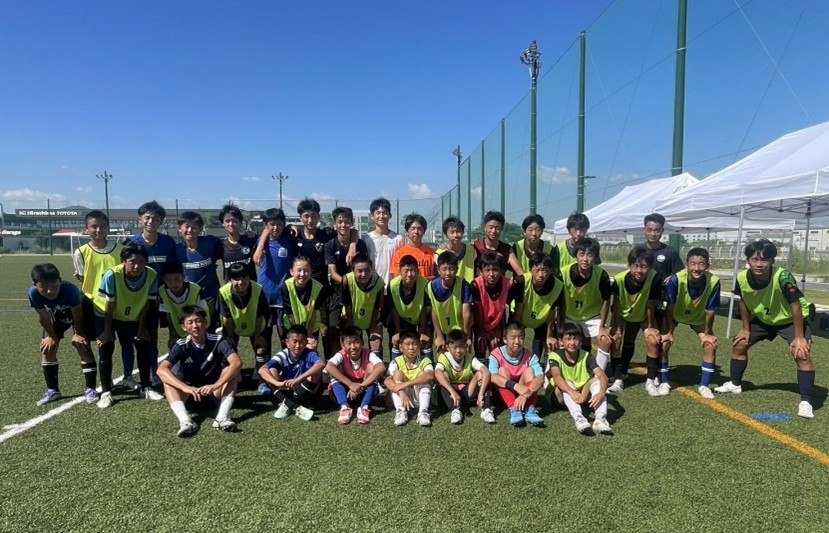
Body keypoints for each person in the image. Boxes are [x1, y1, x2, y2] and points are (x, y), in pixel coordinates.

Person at [715, 239, 816, 419]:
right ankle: (735, 384)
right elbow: (744, 301)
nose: (759, 264)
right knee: (739, 344)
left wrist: (799, 337)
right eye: (755, 259)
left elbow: (796, 306)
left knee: (802, 353)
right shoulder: (741, 277)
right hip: (765, 319)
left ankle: (806, 401)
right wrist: (745, 328)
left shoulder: (783, 277)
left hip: (790, 320)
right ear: (748, 260)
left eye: (764, 260)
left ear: (772, 261)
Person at [157, 306, 242, 437]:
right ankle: (185, 421)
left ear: (205, 323)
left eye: (198, 321)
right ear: (183, 327)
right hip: (190, 395)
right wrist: (185, 388)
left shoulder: (218, 340)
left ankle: (222, 417)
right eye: (190, 322)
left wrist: (216, 385)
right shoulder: (181, 344)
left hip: (214, 392)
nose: (195, 326)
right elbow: (161, 370)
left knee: (232, 373)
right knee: (167, 380)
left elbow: (237, 362)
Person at [96, 244, 163, 408]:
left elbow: (147, 304)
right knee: (106, 346)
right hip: (108, 315)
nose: (137, 266)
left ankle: (146, 387)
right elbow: (109, 305)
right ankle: (106, 392)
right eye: (132, 261)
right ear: (123, 261)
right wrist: (107, 331)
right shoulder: (112, 275)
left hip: (134, 315)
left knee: (142, 342)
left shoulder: (151, 275)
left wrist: (141, 329)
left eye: (141, 262)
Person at [293, 198, 358, 356]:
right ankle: (308, 363)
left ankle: (331, 363)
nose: (310, 220)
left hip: (323, 290)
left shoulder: (326, 235)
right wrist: (290, 227)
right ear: (300, 217)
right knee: (307, 330)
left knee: (328, 329)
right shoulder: (294, 236)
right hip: (302, 291)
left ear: (319, 217)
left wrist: (352, 246)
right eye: (306, 216)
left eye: (313, 216)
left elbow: (353, 232)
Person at [28, 263, 99, 406]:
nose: (49, 291)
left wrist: (79, 333)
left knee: (82, 345)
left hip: (82, 310)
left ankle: (91, 389)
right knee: (47, 348)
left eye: (54, 285)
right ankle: (53, 390)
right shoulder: (33, 293)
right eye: (43, 286)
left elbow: (77, 313)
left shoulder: (69, 290)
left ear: (60, 281)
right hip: (57, 313)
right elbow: (43, 316)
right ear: (35, 285)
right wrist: (51, 336)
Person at [73, 210, 127, 387]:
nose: (98, 230)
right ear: (86, 229)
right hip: (95, 306)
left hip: (120, 304)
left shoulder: (120, 250)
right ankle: (106, 383)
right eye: (94, 226)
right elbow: (82, 279)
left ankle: (129, 377)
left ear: (108, 227)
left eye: (102, 226)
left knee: (127, 343)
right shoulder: (81, 252)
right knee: (104, 346)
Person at [127, 200, 177, 384]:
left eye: (155, 219)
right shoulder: (132, 243)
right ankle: (149, 372)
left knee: (173, 333)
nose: (151, 222)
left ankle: (172, 370)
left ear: (161, 222)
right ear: (140, 219)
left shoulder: (168, 242)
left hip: (166, 297)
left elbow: (174, 268)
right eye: (147, 217)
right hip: (142, 298)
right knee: (146, 336)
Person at [664, 248, 721, 399]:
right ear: (686, 265)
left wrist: (707, 334)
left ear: (707, 265)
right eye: (693, 264)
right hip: (675, 316)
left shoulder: (714, 281)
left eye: (701, 264)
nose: (696, 268)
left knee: (710, 344)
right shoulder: (676, 279)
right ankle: (664, 381)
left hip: (698, 318)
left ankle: (705, 385)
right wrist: (669, 331)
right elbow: (670, 307)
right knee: (664, 342)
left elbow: (711, 310)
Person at [607, 245, 664, 396]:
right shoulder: (619, 279)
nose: (639, 270)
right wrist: (615, 326)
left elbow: (651, 304)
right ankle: (618, 378)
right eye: (635, 266)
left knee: (653, 340)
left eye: (644, 266)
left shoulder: (655, 278)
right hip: (623, 314)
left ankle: (650, 380)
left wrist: (651, 327)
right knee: (616, 338)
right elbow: (616, 305)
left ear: (650, 267)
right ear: (629, 265)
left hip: (644, 315)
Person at [547, 323, 612, 435]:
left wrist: (601, 393)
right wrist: (572, 392)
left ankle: (600, 419)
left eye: (576, 339)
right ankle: (579, 418)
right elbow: (557, 377)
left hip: (580, 395)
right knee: (567, 382)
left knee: (597, 381)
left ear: (581, 341)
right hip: (560, 396)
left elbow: (603, 376)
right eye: (568, 339)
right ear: (561, 341)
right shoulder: (555, 356)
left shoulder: (586, 355)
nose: (572, 343)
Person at [560, 238, 613, 368]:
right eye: (581, 254)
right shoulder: (563, 273)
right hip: (569, 316)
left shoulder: (602, 275)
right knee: (560, 342)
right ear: (576, 256)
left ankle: (598, 374)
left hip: (591, 317)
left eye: (590, 255)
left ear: (595, 257)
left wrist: (602, 326)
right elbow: (560, 301)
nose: (585, 259)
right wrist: (560, 324)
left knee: (605, 340)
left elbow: (606, 300)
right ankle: (563, 371)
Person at [217, 262, 269, 392]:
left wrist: (258, 335)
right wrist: (230, 337)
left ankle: (262, 379)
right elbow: (227, 318)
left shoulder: (258, 289)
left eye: (244, 277)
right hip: (233, 326)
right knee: (227, 351)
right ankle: (234, 375)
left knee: (261, 348)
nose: (241, 282)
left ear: (249, 277)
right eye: (236, 278)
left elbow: (260, 316)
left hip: (254, 325)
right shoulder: (223, 292)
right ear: (230, 280)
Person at [324, 206, 369, 356]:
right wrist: (346, 282)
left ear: (352, 223)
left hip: (357, 292)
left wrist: (353, 246)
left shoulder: (360, 244)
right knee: (334, 330)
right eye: (340, 222)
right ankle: (335, 362)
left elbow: (363, 268)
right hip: (337, 292)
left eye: (347, 222)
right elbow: (332, 272)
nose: (343, 225)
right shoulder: (330, 245)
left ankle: (356, 362)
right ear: (334, 224)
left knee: (353, 330)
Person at [253, 207, 298, 352]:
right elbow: (264, 234)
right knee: (264, 336)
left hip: (283, 296)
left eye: (279, 224)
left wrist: (291, 226)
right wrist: (260, 246)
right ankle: (264, 364)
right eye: (272, 224)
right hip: (264, 295)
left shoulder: (289, 240)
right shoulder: (260, 242)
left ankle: (286, 363)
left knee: (284, 335)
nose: (275, 228)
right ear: (265, 225)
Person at [259, 324, 325, 421]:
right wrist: (277, 383)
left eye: (301, 342)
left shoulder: (309, 354)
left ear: (306, 342)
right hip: (288, 390)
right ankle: (295, 406)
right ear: (287, 343)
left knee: (316, 373)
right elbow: (262, 369)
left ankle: (287, 404)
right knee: (271, 370)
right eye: (295, 342)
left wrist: (298, 379)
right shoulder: (283, 354)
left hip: (307, 394)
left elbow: (321, 364)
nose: (298, 346)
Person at [325, 326, 388, 425]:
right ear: (342, 345)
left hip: (363, 391)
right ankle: (344, 408)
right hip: (345, 393)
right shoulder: (341, 354)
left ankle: (364, 408)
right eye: (348, 343)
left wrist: (361, 385)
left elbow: (381, 367)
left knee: (372, 369)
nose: (353, 347)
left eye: (356, 342)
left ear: (362, 342)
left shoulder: (368, 353)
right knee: (336, 371)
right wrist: (350, 384)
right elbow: (329, 366)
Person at [488, 322, 545, 427]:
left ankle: (529, 410)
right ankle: (514, 409)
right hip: (502, 394)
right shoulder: (496, 354)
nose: (517, 342)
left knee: (530, 370)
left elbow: (540, 378)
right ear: (505, 339)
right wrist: (516, 386)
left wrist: (524, 395)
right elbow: (493, 377)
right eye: (513, 338)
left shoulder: (530, 356)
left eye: (521, 337)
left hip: (524, 394)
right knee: (502, 370)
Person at [511, 252, 565, 360]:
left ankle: (541, 363)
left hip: (541, 319)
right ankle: (515, 361)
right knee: (515, 339)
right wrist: (517, 330)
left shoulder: (558, 286)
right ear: (530, 269)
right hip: (520, 315)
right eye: (537, 270)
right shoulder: (522, 281)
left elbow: (552, 312)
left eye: (544, 270)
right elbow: (518, 310)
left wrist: (549, 336)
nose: (540, 275)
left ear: (550, 270)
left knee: (547, 341)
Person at [176, 210, 224, 330]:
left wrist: (247, 235)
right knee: (191, 329)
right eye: (186, 226)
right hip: (188, 296)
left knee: (211, 329)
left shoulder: (211, 243)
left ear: (201, 229)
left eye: (194, 227)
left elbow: (230, 248)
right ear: (179, 228)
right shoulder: (177, 249)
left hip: (210, 295)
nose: (190, 230)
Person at [434, 330, 494, 424]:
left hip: (468, 392)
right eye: (455, 347)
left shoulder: (470, 357)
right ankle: (455, 410)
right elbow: (437, 373)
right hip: (451, 395)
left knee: (482, 374)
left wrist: (481, 393)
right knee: (443, 375)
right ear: (447, 348)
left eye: (461, 346)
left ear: (466, 346)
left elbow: (486, 371)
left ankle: (486, 409)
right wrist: (452, 391)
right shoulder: (444, 357)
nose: (458, 351)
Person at [385, 330, 435, 427]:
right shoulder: (396, 361)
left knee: (423, 375)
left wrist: (406, 384)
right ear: (400, 347)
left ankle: (423, 412)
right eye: (407, 344)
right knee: (398, 374)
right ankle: (400, 411)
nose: (411, 348)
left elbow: (430, 376)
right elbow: (387, 381)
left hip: (419, 397)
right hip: (403, 397)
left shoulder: (425, 360)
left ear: (419, 346)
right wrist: (401, 391)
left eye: (414, 344)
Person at [428, 251, 474, 355]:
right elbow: (434, 312)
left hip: (461, 331)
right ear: (438, 270)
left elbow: (466, 313)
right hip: (444, 331)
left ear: (457, 269)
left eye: (451, 269)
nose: (448, 273)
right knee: (445, 359)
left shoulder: (464, 285)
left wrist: (467, 337)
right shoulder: (432, 287)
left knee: (462, 358)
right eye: (444, 269)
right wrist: (439, 336)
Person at [388, 254, 431, 361]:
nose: (409, 274)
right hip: (401, 317)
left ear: (418, 271)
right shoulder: (392, 285)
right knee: (397, 339)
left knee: (425, 339)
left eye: (412, 270)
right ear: (400, 271)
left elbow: (424, 310)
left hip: (419, 316)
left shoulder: (425, 284)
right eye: (406, 270)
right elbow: (394, 308)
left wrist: (422, 331)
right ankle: (395, 366)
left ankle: (426, 365)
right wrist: (398, 330)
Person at [341, 254, 385, 359]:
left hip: (372, 317)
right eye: (360, 271)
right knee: (352, 344)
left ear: (371, 269)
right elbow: (347, 304)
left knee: (376, 342)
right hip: (350, 317)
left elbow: (378, 307)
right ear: (353, 270)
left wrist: (373, 327)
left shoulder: (378, 282)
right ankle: (353, 366)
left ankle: (377, 367)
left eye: (367, 270)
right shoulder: (346, 280)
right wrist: (351, 326)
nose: (364, 274)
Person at [157, 260, 209, 349]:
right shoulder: (162, 292)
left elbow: (202, 315)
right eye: (169, 280)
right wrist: (173, 335)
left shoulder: (195, 289)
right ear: (164, 280)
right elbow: (168, 315)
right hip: (179, 329)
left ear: (184, 277)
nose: (173, 283)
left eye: (177, 278)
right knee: (174, 346)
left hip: (199, 328)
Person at [471, 253, 512, 358]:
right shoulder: (475, 285)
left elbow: (503, 309)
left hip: (497, 325)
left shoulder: (508, 284)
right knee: (481, 346)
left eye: (495, 269)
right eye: (487, 270)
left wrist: (499, 330)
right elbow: (477, 311)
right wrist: (481, 331)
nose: (491, 274)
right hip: (479, 325)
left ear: (502, 270)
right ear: (480, 271)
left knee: (497, 351)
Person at [281, 255, 325, 350]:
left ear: (311, 272)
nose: (302, 274)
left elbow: (314, 314)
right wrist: (299, 337)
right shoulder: (286, 286)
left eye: (306, 270)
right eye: (299, 270)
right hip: (292, 327)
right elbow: (290, 315)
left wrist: (308, 336)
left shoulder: (318, 287)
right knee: (295, 349)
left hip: (311, 327)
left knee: (311, 347)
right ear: (291, 272)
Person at [472, 211, 521, 276]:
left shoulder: (507, 249)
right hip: (478, 282)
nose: (493, 231)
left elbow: (518, 270)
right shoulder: (475, 246)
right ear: (485, 228)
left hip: (500, 282)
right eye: (491, 227)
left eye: (497, 228)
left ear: (502, 229)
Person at [219, 203, 258, 281]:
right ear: (222, 223)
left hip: (251, 286)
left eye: (234, 221)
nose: (231, 224)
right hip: (230, 287)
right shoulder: (220, 245)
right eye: (227, 221)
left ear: (240, 222)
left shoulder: (251, 240)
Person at [390, 213, 435, 279]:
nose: (416, 232)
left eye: (419, 229)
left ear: (424, 231)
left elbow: (436, 276)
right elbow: (397, 279)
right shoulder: (399, 254)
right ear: (407, 232)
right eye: (413, 228)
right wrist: (423, 280)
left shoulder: (432, 253)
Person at [434, 216, 475, 283]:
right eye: (452, 232)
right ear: (446, 235)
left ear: (463, 233)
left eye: (458, 231)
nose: (456, 235)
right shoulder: (439, 254)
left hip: (468, 288)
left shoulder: (472, 251)